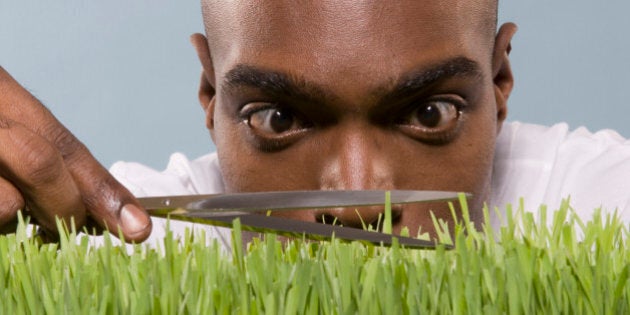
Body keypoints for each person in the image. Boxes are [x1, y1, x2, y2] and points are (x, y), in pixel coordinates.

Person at [1, 0, 629, 245]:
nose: (357, 202)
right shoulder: (106, 248)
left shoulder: (603, 204)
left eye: (429, 113)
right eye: (277, 119)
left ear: (497, 86)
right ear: (211, 96)